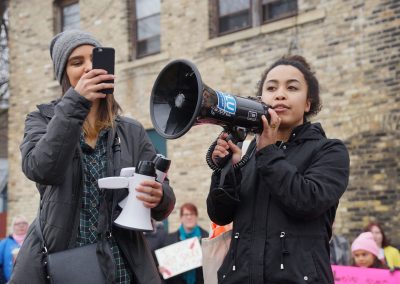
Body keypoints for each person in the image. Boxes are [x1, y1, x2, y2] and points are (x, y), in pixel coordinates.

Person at [12, 30, 175, 284]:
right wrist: (76, 102)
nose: (88, 67)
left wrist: (160, 195)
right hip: (68, 265)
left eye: (94, 60)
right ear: (64, 75)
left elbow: (164, 197)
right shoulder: (42, 120)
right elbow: (41, 169)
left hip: (124, 265)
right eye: (77, 62)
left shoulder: (130, 130)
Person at [207, 55, 350, 283]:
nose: (280, 94)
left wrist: (268, 152)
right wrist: (229, 169)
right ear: (261, 99)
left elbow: (307, 202)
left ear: (307, 103)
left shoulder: (330, 151)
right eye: (271, 87)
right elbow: (220, 215)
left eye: (292, 87)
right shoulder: (251, 154)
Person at [162, 203, 208, 284]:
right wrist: (162, 269)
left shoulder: (206, 238)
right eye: (186, 214)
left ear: (196, 217)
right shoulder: (169, 239)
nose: (189, 217)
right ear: (181, 218)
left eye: (192, 214)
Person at [0, 215, 29, 283]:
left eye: (24, 223)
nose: (21, 226)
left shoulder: (34, 242)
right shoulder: (4, 243)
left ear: (28, 225)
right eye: (18, 224)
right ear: (13, 226)